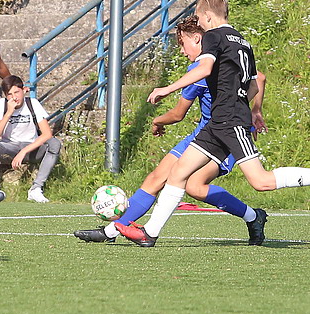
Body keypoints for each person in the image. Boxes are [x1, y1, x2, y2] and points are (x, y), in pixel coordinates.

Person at [117, 0, 310, 247]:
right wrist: (248, 107)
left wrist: (168, 88)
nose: (199, 24)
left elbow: (205, 68)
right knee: (179, 173)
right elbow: (254, 83)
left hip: (231, 122)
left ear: (208, 16)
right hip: (219, 121)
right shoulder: (242, 41)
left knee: (261, 181)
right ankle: (150, 233)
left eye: (199, 19)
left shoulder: (214, 36)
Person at [74, 16, 268, 246]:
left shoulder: (201, 71)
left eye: (183, 44)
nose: (183, 52)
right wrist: (255, 109)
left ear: (198, 39)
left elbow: (177, 114)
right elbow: (260, 78)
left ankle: (253, 217)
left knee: (196, 186)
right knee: (156, 178)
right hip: (202, 133)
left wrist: (157, 121)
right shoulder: (219, 59)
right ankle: (111, 231)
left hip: (224, 135)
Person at [0, 75, 62, 203]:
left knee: (54, 143)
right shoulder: (1, 104)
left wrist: (23, 151)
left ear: (23, 90)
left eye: (17, 92)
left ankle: (36, 188)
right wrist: (8, 113)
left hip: (31, 148)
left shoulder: (32, 103)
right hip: (8, 147)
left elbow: (47, 134)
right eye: (10, 94)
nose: (14, 97)